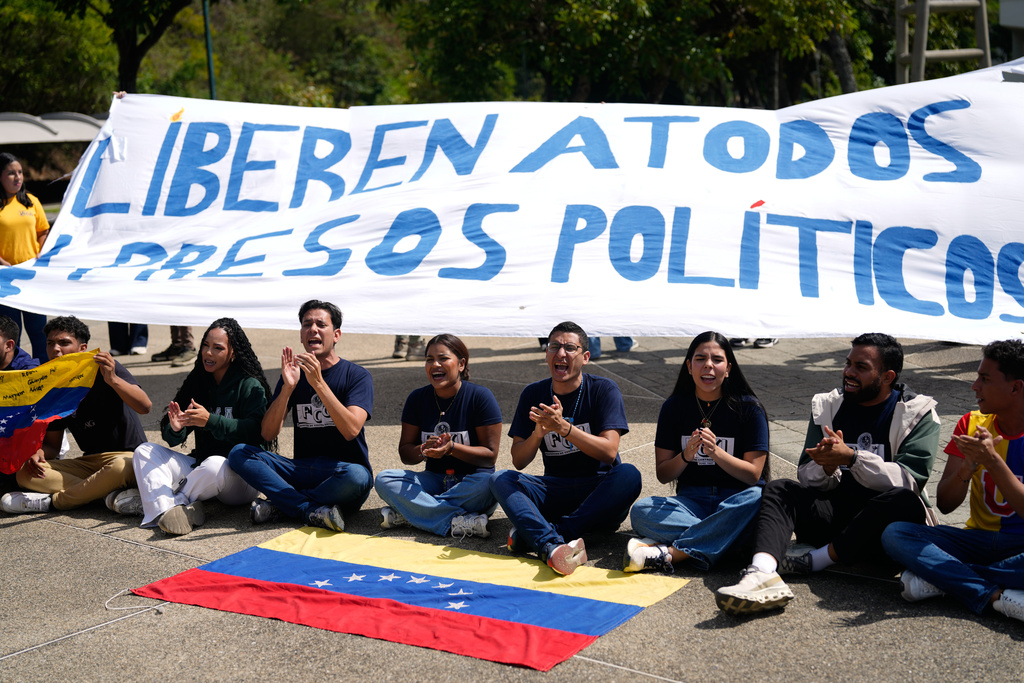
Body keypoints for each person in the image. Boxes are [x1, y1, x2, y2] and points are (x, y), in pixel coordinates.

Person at [715, 332, 940, 615]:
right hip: (835, 516)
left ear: (887, 376)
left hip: (881, 531)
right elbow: (805, 475)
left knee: (903, 501)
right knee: (779, 489)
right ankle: (761, 573)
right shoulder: (828, 405)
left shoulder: (918, 412)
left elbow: (910, 481)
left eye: (861, 367)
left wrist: (853, 458)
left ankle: (814, 561)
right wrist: (827, 466)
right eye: (848, 364)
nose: (848, 373)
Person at [881, 340, 1024, 624]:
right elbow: (946, 504)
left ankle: (944, 579)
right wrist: (967, 469)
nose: (974, 386)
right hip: (975, 539)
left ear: (1016, 387)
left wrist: (993, 461)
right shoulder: (971, 423)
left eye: (985, 379)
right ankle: (992, 595)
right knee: (895, 534)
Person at [490, 321, 641, 575]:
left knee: (630, 475)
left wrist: (565, 429)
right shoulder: (533, 394)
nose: (561, 354)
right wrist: (538, 433)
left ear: (585, 357)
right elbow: (518, 460)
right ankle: (553, 543)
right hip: (554, 489)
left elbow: (609, 452)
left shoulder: (603, 389)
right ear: (547, 355)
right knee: (500, 478)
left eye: (570, 348)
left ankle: (548, 535)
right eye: (554, 347)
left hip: (598, 491)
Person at [625, 332, 769, 573]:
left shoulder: (749, 408)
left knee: (759, 497)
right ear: (689, 366)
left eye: (717, 359)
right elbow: (663, 474)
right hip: (691, 502)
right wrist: (685, 456)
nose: (708, 366)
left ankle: (670, 553)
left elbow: (753, 475)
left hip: (736, 501)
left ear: (729, 368)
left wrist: (716, 453)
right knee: (641, 511)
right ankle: (723, 538)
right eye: (700, 358)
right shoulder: (674, 407)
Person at [228, 300, 373, 532]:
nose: (313, 329)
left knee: (358, 476)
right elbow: (267, 433)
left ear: (336, 335)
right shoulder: (292, 376)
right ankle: (306, 508)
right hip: (301, 470)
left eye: (320, 324)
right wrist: (287, 388)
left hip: (341, 474)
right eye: (307, 324)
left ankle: (283, 504)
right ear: (301, 335)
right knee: (239, 453)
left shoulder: (357, 376)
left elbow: (351, 430)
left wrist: (318, 383)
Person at [118, 319, 271, 535]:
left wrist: (211, 421)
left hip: (241, 477)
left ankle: (169, 502)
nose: (208, 353)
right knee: (144, 451)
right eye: (205, 346)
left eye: (218, 348)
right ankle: (166, 513)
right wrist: (176, 428)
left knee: (215, 465)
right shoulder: (198, 381)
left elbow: (257, 432)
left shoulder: (249, 385)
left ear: (233, 353)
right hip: (201, 467)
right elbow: (171, 438)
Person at [1, 316, 151, 514]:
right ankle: (108, 496)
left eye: (64, 343)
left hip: (127, 457)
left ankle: (52, 503)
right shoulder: (53, 385)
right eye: (50, 343)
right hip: (89, 463)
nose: (56, 349)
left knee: (121, 466)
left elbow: (145, 406)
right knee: (25, 474)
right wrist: (39, 454)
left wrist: (113, 379)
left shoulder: (103, 367)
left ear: (82, 348)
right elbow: (53, 446)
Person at [375, 334, 502, 538]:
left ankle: (414, 513)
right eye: (429, 359)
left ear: (461, 364)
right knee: (385, 479)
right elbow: (406, 453)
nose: (435, 364)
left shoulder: (480, 397)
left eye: (443, 358)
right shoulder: (417, 398)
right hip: (433, 479)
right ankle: (459, 520)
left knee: (493, 483)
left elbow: (490, 456)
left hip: (471, 483)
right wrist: (423, 450)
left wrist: (452, 448)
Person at [0, 152, 49, 364]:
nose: (17, 177)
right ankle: (14, 377)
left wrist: (41, 252)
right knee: (11, 335)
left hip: (32, 278)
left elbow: (43, 231)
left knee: (40, 332)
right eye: (11, 173)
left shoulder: (31, 202)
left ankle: (45, 376)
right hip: (5, 279)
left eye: (20, 172)